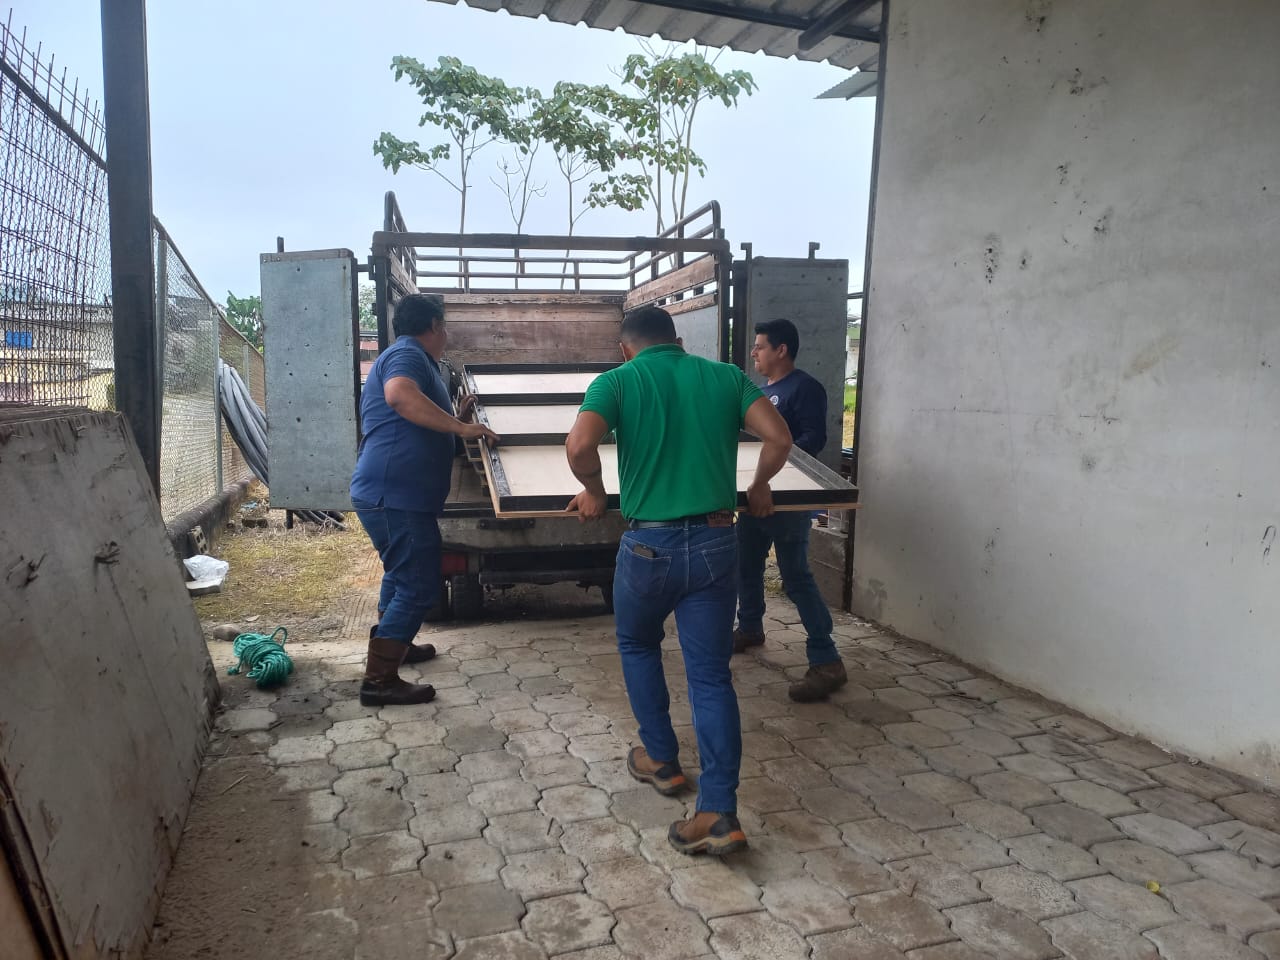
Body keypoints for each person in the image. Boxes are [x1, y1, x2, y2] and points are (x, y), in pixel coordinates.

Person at [565, 305, 792, 856]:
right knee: (710, 677)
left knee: (638, 644)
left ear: (626, 348)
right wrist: (759, 485)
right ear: (679, 340)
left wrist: (594, 490)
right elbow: (779, 438)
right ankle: (718, 811)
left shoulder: (617, 381)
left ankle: (662, 760)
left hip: (649, 545)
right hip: (716, 541)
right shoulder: (727, 377)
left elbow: (578, 447)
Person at [350, 293, 499, 707]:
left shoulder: (418, 360)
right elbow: (399, 396)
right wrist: (462, 428)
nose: (446, 333)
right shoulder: (408, 355)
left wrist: (457, 420)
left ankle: (397, 643)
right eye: (444, 325)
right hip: (394, 494)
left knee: (401, 575)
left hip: (394, 493)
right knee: (418, 584)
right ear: (434, 325)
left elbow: (421, 421)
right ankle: (379, 680)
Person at [734, 318, 848, 702]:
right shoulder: (761, 392)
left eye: (760, 346)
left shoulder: (804, 388)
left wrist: (775, 468)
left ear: (781, 350)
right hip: (754, 493)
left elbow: (814, 438)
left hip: (785, 499)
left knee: (795, 576)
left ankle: (826, 659)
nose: (754, 352)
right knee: (746, 565)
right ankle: (750, 627)